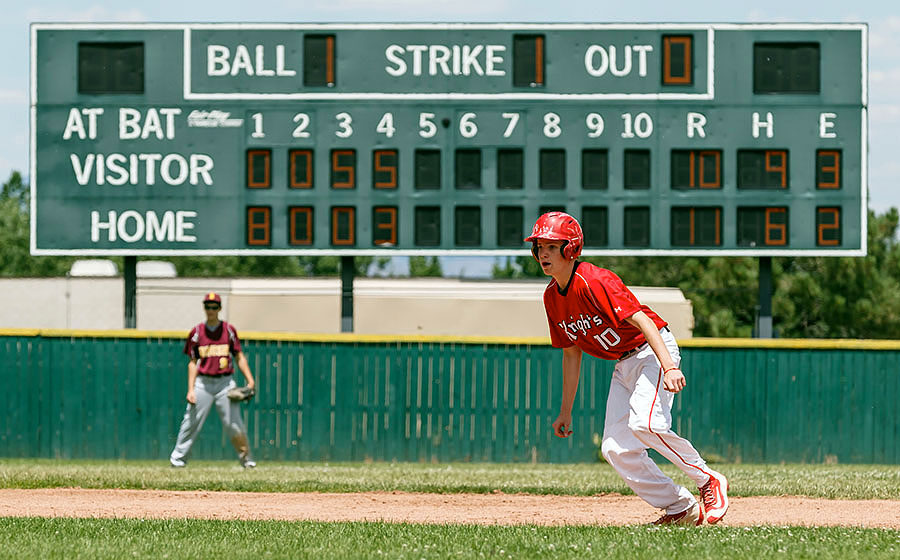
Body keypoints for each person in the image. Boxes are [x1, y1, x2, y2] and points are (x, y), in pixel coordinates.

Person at [526, 212, 728, 525]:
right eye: (539, 247)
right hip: (625, 362)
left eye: (552, 246)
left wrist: (669, 366)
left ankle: (707, 480)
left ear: (571, 248)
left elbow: (643, 320)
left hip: (652, 351)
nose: (543, 254)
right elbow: (571, 354)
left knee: (645, 424)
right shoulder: (552, 297)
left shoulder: (593, 280)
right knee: (615, 448)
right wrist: (565, 411)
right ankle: (680, 508)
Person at [169, 292, 257, 468]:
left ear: (220, 308)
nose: (211, 310)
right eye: (208, 306)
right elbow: (192, 363)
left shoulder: (228, 331)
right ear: (204, 308)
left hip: (225, 383)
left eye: (214, 306)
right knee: (190, 422)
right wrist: (191, 389)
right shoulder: (197, 333)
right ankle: (177, 461)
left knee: (234, 424)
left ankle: (247, 461)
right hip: (203, 383)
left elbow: (239, 356)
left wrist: (250, 380)